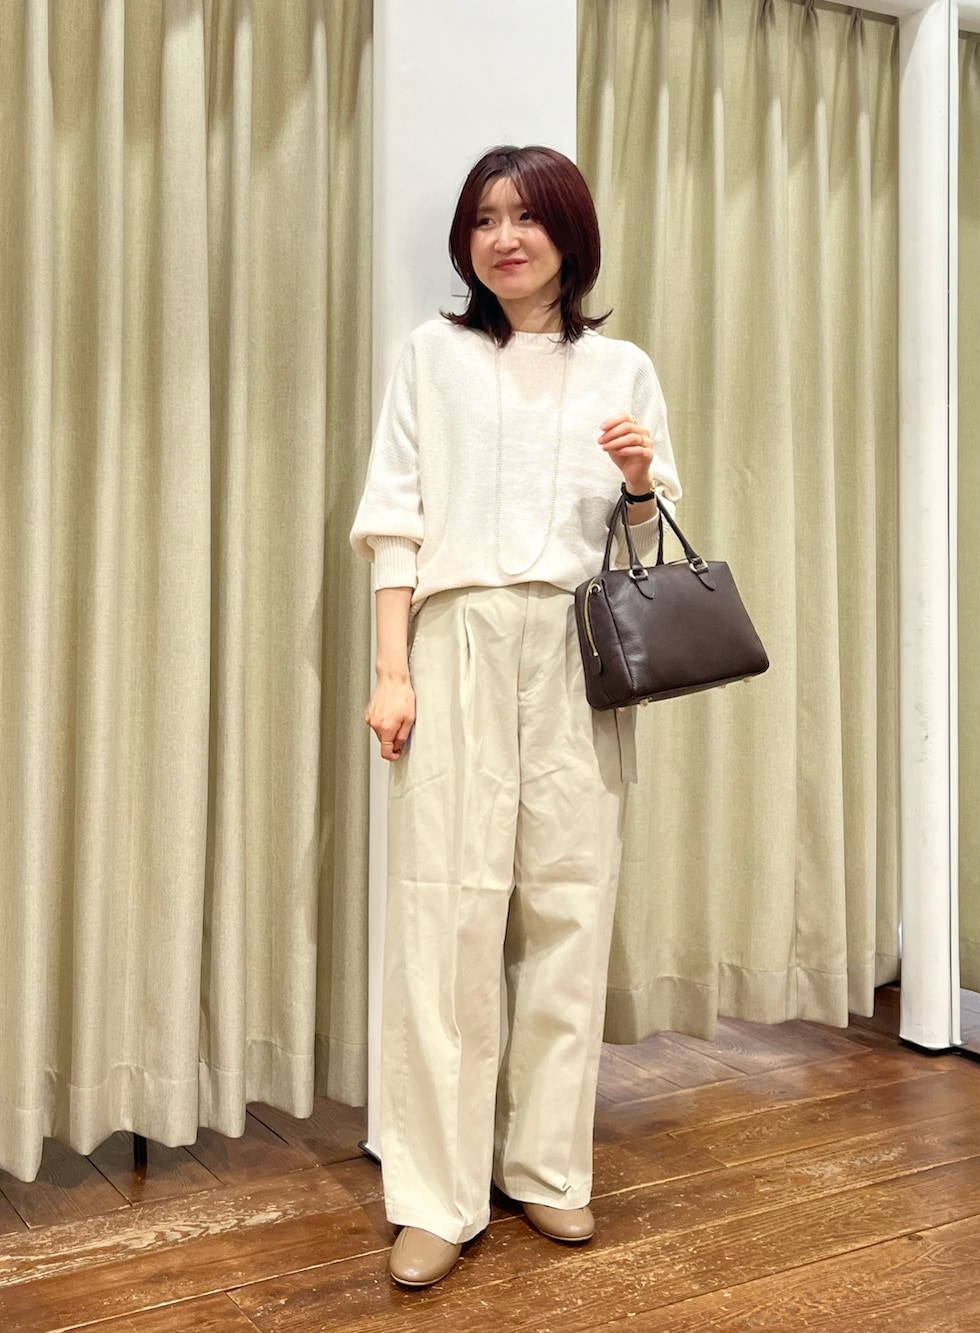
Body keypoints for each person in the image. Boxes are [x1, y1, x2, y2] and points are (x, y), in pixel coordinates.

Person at [350, 145, 681, 1289]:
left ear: (567, 235)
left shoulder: (622, 368)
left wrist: (638, 481)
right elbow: (394, 521)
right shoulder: (430, 356)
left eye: (526, 217)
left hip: (578, 646)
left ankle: (546, 1167)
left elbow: (647, 548)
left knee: (568, 910)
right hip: (457, 641)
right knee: (443, 916)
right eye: (484, 219)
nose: (503, 238)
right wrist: (391, 672)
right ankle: (435, 1195)